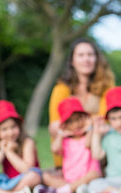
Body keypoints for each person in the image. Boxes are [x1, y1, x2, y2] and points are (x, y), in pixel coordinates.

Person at [48, 38, 115, 169]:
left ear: (96, 59)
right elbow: (55, 126)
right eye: (81, 55)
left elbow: (107, 121)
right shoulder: (61, 88)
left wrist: (73, 124)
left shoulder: (106, 87)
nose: (86, 59)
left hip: (97, 153)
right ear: (72, 61)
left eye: (90, 55)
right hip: (69, 158)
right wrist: (89, 124)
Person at [34, 97, 101, 193]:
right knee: (46, 176)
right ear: (64, 125)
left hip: (88, 178)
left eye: (79, 119)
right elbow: (54, 149)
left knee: (94, 174)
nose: (76, 124)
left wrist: (90, 127)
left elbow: (88, 144)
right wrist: (61, 133)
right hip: (69, 180)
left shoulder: (89, 136)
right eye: (70, 122)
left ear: (85, 118)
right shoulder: (65, 141)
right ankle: (75, 189)